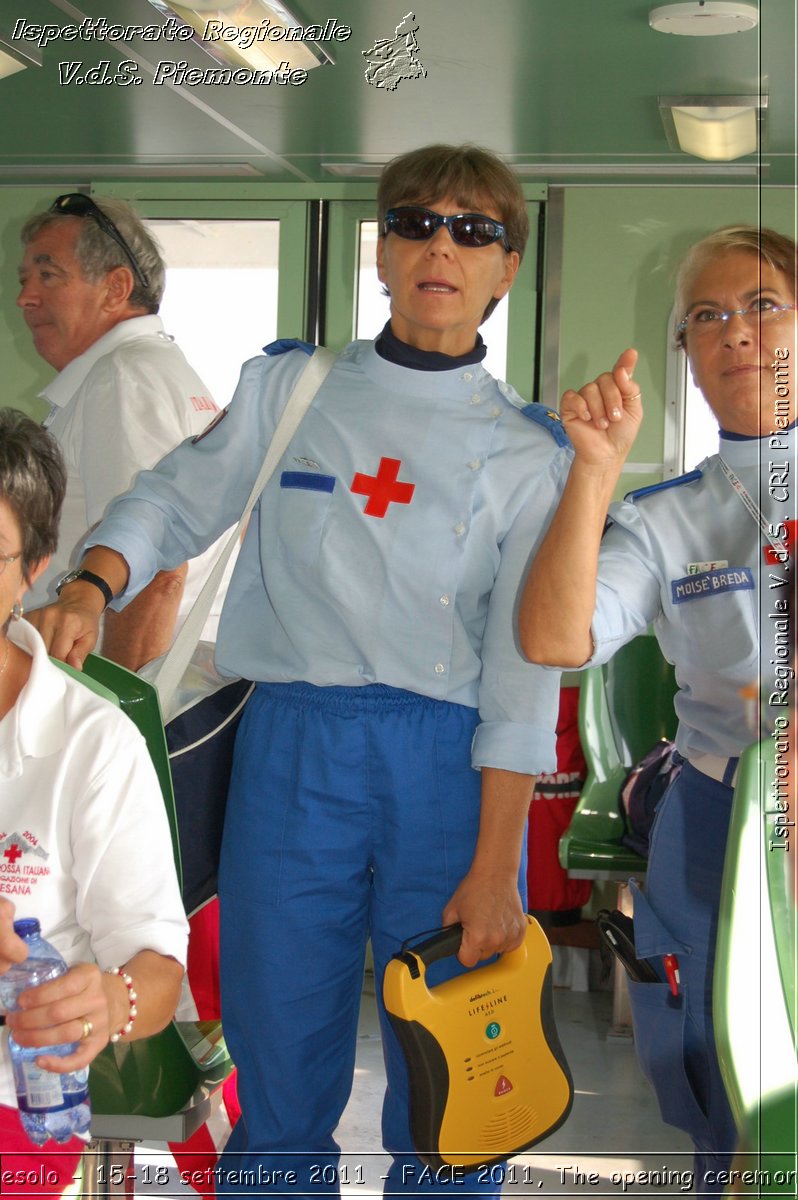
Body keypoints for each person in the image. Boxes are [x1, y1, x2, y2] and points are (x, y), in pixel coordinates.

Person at [30, 144, 572, 1196]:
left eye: (475, 232)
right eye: (416, 222)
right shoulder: (290, 389)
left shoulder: (529, 454)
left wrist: (499, 866)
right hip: (292, 751)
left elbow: (522, 674)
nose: (440, 247)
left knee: (455, 1078)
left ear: (508, 268)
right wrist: (93, 581)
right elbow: (174, 497)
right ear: (382, 249)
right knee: (280, 1066)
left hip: (447, 766)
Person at [518, 225, 797, 1193]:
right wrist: (592, 472)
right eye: (707, 318)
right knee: (731, 1080)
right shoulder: (664, 517)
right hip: (720, 824)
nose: (735, 334)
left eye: (763, 305)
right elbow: (557, 639)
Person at [0, 409, 188, 1194]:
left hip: (16, 1106)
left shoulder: (92, 743)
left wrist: (113, 998)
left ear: (35, 565)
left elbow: (157, 966)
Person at [17, 193, 226, 672]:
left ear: (116, 288)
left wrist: (124, 719)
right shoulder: (152, 371)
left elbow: (157, 569)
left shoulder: (123, 380)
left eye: (48, 275)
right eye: (25, 279)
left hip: (120, 686)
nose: (25, 297)